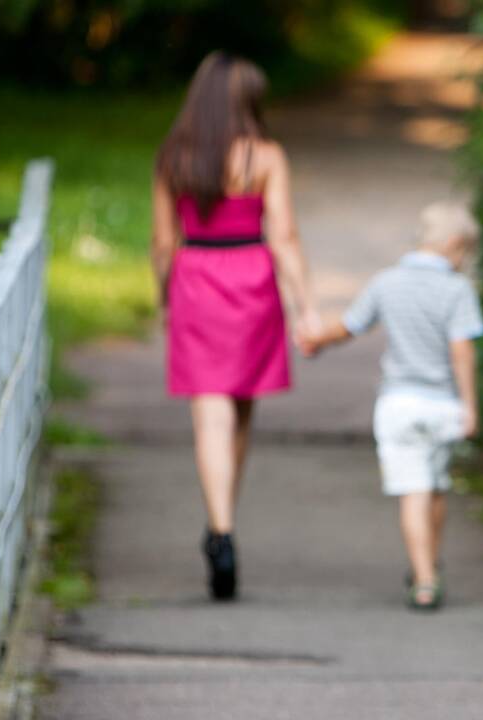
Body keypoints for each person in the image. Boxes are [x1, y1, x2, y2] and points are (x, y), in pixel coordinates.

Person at [151, 52, 320, 601]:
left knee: (211, 415)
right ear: (249, 100)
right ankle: (222, 523)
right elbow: (285, 236)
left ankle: (220, 531)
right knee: (241, 408)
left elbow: (163, 242)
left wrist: (163, 296)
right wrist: (307, 306)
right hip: (251, 280)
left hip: (196, 280)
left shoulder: (173, 157)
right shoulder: (265, 156)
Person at [298, 202, 483, 610]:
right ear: (453, 245)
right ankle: (429, 565)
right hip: (442, 406)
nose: (463, 263)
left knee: (412, 491)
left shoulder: (387, 282)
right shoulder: (457, 291)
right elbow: (462, 352)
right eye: (464, 254)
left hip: (398, 404)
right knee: (436, 488)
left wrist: (316, 340)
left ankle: (423, 578)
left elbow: (349, 326)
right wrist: (470, 406)